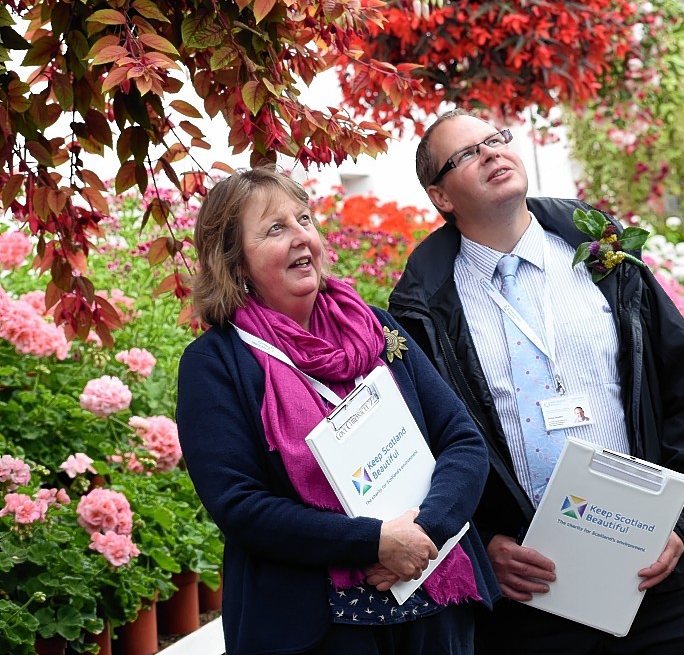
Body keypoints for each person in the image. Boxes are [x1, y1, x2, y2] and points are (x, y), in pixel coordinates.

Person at [390, 110, 684, 654]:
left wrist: (679, 521)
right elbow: (418, 455)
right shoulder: (421, 311)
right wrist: (476, 546)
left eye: (496, 139)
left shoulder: (606, 260)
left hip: (654, 573)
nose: (492, 153)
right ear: (441, 197)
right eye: (467, 154)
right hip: (529, 596)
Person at [176, 167, 500, 655]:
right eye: (274, 228)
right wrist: (374, 542)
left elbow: (462, 441)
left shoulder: (376, 329)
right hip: (315, 628)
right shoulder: (215, 363)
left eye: (303, 219)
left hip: (433, 608)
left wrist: (422, 532)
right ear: (235, 263)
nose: (300, 236)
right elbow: (240, 507)